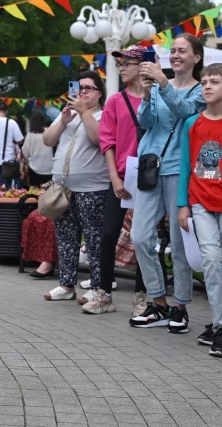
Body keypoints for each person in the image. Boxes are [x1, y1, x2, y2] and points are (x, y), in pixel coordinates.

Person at [130, 34, 206, 333]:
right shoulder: (160, 86)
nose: (175, 55)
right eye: (172, 50)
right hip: (151, 168)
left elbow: (188, 115)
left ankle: (180, 307)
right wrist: (148, 94)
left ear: (196, 57)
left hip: (179, 171)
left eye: (182, 51)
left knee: (179, 243)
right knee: (140, 237)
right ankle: (159, 303)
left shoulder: (202, 90)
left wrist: (162, 84)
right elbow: (146, 123)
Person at [177, 64, 222, 358]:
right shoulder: (192, 124)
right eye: (204, 81)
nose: (206, 86)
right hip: (200, 202)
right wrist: (183, 204)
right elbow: (185, 167)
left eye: (214, 82)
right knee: (210, 258)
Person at [85, 46, 146, 315]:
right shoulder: (115, 101)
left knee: (146, 238)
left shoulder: (156, 98)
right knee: (108, 234)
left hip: (149, 177)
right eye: (120, 64)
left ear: (144, 66)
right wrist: (114, 177)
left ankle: (143, 297)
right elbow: (107, 141)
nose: (122, 68)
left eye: (128, 63)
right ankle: (104, 293)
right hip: (120, 176)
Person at [41, 72, 109, 302]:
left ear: (100, 93)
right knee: (66, 237)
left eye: (89, 88)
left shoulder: (104, 115)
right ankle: (66, 285)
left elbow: (98, 139)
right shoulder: (68, 115)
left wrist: (84, 112)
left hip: (93, 187)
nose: (83, 92)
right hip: (63, 189)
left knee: (93, 239)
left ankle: (98, 287)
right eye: (80, 88)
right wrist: (63, 121)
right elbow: (48, 140)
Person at [22, 110, 54, 187]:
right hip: (49, 168)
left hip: (34, 168)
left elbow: (25, 152)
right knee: (48, 193)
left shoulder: (30, 135)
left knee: (33, 193)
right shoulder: (50, 131)